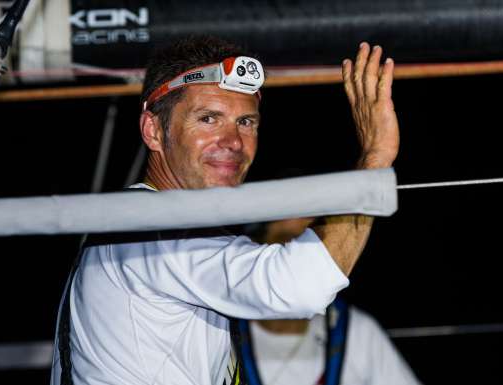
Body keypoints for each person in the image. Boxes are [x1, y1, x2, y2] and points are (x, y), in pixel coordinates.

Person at [50, 35, 400, 385]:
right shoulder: (145, 225)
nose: (233, 141)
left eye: (246, 122)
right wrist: (375, 157)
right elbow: (297, 285)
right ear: (153, 130)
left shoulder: (143, 227)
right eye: (208, 119)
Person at [237, 217, 422, 385]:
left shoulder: (356, 331)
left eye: (310, 245)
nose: (299, 261)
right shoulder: (224, 330)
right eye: (285, 246)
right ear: (255, 251)